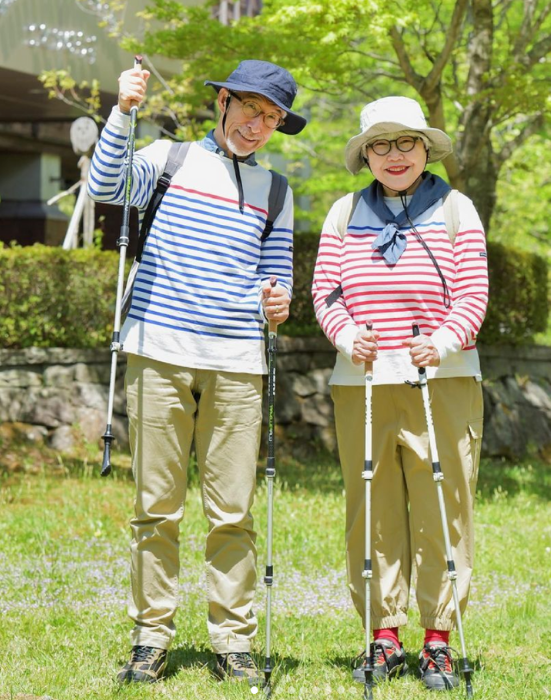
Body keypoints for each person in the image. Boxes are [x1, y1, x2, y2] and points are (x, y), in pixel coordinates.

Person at [88, 59, 307, 687]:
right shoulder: (169, 159)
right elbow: (107, 185)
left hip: (238, 362)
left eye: (271, 118)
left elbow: (276, 271)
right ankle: (150, 637)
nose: (258, 126)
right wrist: (123, 110)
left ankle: (233, 641)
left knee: (232, 512)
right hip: (158, 349)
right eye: (250, 109)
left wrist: (277, 299)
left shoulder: (278, 191)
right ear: (224, 103)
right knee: (156, 508)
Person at [312, 96, 488, 691]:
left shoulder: (457, 209)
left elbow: (472, 294)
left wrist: (440, 341)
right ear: (365, 154)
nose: (393, 155)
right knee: (374, 512)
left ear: (425, 149)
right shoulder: (342, 212)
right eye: (380, 145)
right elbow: (326, 292)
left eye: (405, 143)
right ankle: (384, 634)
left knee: (445, 511)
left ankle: (438, 637)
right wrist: (344, 336)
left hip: (443, 377)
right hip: (362, 383)